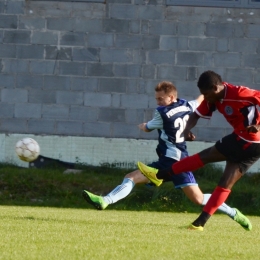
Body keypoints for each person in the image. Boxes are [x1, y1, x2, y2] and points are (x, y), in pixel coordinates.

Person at [82, 80, 251, 230]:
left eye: (160, 99)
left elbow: (148, 127)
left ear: (171, 98)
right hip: (177, 159)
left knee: (197, 198)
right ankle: (105, 201)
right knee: (195, 198)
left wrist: (143, 126)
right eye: (156, 99)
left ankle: (105, 201)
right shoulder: (188, 106)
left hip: (173, 160)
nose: (158, 102)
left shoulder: (161, 113)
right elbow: (200, 100)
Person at [137, 70, 260, 231]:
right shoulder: (214, 98)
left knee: (205, 156)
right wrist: (185, 131)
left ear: (215, 88)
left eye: (206, 94)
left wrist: (257, 125)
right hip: (252, 145)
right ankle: (199, 223)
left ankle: (159, 175)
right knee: (225, 184)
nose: (205, 97)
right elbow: (195, 116)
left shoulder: (239, 93)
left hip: (247, 140)